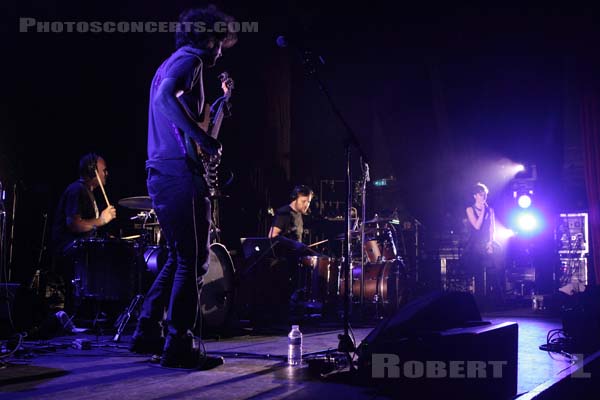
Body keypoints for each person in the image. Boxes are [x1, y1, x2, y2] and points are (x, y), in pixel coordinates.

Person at [129, 5, 237, 369]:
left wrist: (220, 103)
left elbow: (196, 122)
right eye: (220, 41)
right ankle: (178, 345)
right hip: (178, 172)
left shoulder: (173, 62)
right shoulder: (189, 61)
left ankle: (146, 329)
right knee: (193, 260)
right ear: (207, 37)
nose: (221, 50)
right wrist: (202, 141)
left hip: (164, 170)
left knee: (178, 257)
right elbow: (166, 102)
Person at [51, 153, 117, 313]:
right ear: (92, 171)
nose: (106, 173)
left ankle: (95, 313)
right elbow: (74, 224)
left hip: (80, 254)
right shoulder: (77, 190)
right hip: (69, 252)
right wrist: (101, 220)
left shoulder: (87, 191)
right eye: (104, 170)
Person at [463, 182, 503, 309]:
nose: (484, 197)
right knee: (478, 271)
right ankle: (479, 300)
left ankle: (497, 298)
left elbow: (492, 229)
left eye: (485, 194)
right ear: (475, 196)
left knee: (495, 267)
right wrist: (483, 211)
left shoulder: (490, 210)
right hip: (474, 243)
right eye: (481, 195)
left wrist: (491, 242)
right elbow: (477, 226)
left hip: (487, 242)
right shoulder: (470, 209)